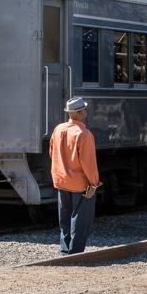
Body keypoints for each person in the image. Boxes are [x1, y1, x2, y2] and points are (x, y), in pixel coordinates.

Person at [49, 97, 101, 255]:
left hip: (60, 180)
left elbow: (52, 153)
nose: (86, 111)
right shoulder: (84, 134)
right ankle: (75, 253)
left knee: (64, 217)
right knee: (80, 219)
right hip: (80, 184)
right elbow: (89, 163)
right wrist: (93, 184)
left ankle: (65, 251)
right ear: (79, 113)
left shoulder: (58, 129)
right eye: (84, 109)